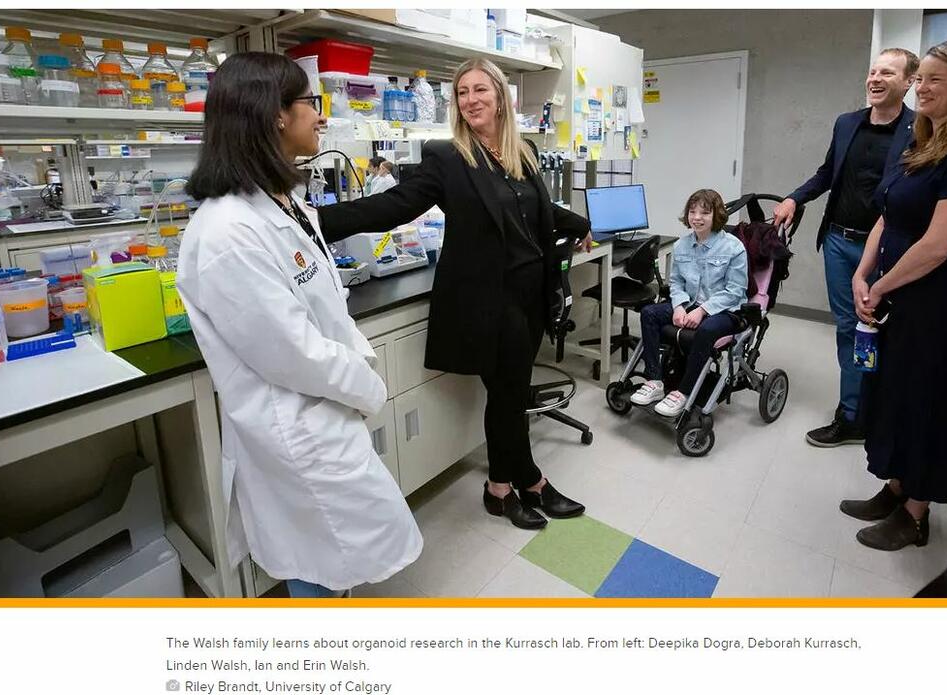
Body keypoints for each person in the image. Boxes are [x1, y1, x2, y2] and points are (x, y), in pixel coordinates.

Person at [176, 53, 422, 597]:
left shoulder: (283, 202)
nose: (320, 114)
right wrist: (368, 387)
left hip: (323, 407)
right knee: (317, 566)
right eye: (310, 101)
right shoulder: (226, 233)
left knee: (332, 563)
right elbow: (293, 351)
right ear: (274, 116)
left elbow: (323, 307)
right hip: (296, 426)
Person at [317, 58, 593, 530]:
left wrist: (580, 223)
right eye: (462, 93)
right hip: (490, 299)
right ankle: (517, 485)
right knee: (507, 396)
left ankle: (512, 485)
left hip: (531, 293)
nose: (471, 100)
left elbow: (536, 211)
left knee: (511, 394)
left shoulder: (521, 151)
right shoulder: (449, 158)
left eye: (480, 90)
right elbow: (395, 205)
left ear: (500, 96)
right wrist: (314, 219)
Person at [840, 36, 947, 551]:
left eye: (935, 79)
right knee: (894, 396)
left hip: (937, 304)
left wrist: (881, 285)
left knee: (927, 404)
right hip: (897, 294)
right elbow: (889, 215)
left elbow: (938, 246)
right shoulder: (922, 141)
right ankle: (895, 488)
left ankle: (916, 513)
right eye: (921, 78)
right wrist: (864, 273)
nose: (922, 88)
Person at [773, 48, 919, 447]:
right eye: (872, 71)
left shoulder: (920, 130)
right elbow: (826, 173)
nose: (875, 78)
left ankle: (879, 410)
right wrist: (794, 198)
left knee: (880, 330)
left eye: (887, 73)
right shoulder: (847, 124)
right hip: (839, 241)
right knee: (849, 328)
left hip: (891, 250)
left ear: (908, 82)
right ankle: (852, 413)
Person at [631, 189, 748, 417]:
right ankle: (655, 380)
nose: (697, 217)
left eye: (704, 212)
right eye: (692, 211)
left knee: (705, 330)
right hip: (690, 303)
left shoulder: (734, 248)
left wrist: (703, 310)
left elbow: (735, 292)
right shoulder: (681, 246)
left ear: (717, 215)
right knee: (649, 313)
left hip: (724, 310)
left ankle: (683, 392)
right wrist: (678, 306)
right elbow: (675, 283)